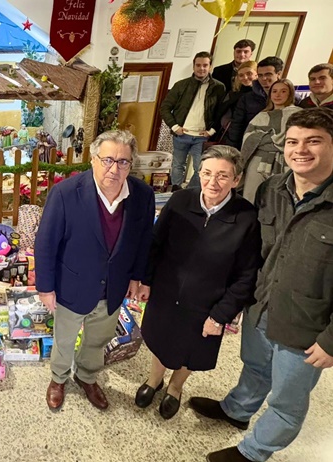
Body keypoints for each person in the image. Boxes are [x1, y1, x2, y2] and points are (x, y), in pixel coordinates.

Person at [190, 108, 333, 462]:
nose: (301, 149)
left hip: (306, 324)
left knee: (287, 399)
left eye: (314, 141)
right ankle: (237, 410)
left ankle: (254, 453)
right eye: (293, 141)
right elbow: (257, 250)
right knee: (254, 366)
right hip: (262, 305)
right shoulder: (272, 189)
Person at [134, 146, 261, 420]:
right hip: (166, 292)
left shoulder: (246, 217)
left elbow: (247, 274)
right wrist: (146, 280)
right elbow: (155, 244)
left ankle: (176, 387)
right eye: (207, 173)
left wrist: (220, 315)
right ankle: (154, 380)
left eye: (223, 176)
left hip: (207, 302)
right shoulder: (180, 201)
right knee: (158, 339)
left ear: (236, 180)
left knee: (190, 348)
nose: (212, 182)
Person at [35, 130, 155, 411]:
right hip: (71, 286)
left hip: (114, 287)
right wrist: (45, 287)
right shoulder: (65, 193)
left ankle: (87, 375)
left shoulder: (143, 196)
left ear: (131, 164)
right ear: (93, 159)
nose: (114, 168)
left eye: (123, 162)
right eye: (108, 159)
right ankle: (58, 377)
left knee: (98, 338)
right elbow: (46, 243)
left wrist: (138, 277)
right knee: (64, 338)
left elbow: (144, 240)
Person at [160, 51, 226, 188]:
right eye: (198, 65)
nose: (201, 68)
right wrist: (174, 127)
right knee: (178, 165)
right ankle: (176, 193)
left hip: (202, 137)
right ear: (193, 66)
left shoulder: (218, 87)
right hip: (181, 134)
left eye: (205, 65)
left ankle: (191, 194)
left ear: (210, 67)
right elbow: (165, 107)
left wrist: (212, 131)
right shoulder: (181, 85)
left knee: (200, 168)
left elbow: (221, 112)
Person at [240, 79, 302, 202]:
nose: (278, 95)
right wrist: (272, 140)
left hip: (286, 162)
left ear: (290, 94)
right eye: (274, 91)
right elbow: (249, 139)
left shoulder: (298, 114)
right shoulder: (261, 116)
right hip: (258, 160)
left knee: (278, 200)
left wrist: (265, 139)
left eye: (283, 91)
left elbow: (297, 140)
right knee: (251, 197)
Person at [225, 56, 284, 149]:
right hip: (249, 146)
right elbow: (236, 126)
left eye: (268, 74)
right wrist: (231, 149)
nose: (264, 78)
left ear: (279, 74)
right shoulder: (247, 98)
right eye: (260, 75)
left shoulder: (291, 98)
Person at [214, 60, 257, 141]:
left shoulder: (261, 96)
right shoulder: (233, 94)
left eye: (249, 73)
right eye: (241, 75)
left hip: (249, 136)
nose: (245, 77)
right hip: (229, 134)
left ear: (257, 74)